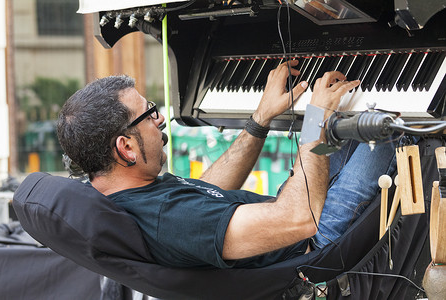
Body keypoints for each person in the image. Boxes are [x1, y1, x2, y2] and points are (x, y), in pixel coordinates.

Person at [56, 60, 397, 269]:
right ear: (126, 147)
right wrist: (315, 118)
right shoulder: (170, 221)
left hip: (290, 211)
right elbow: (299, 220)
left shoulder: (122, 190)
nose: (160, 119)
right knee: (392, 123)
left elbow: (207, 191)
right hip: (317, 242)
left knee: (358, 113)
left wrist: (260, 119)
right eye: (149, 114)